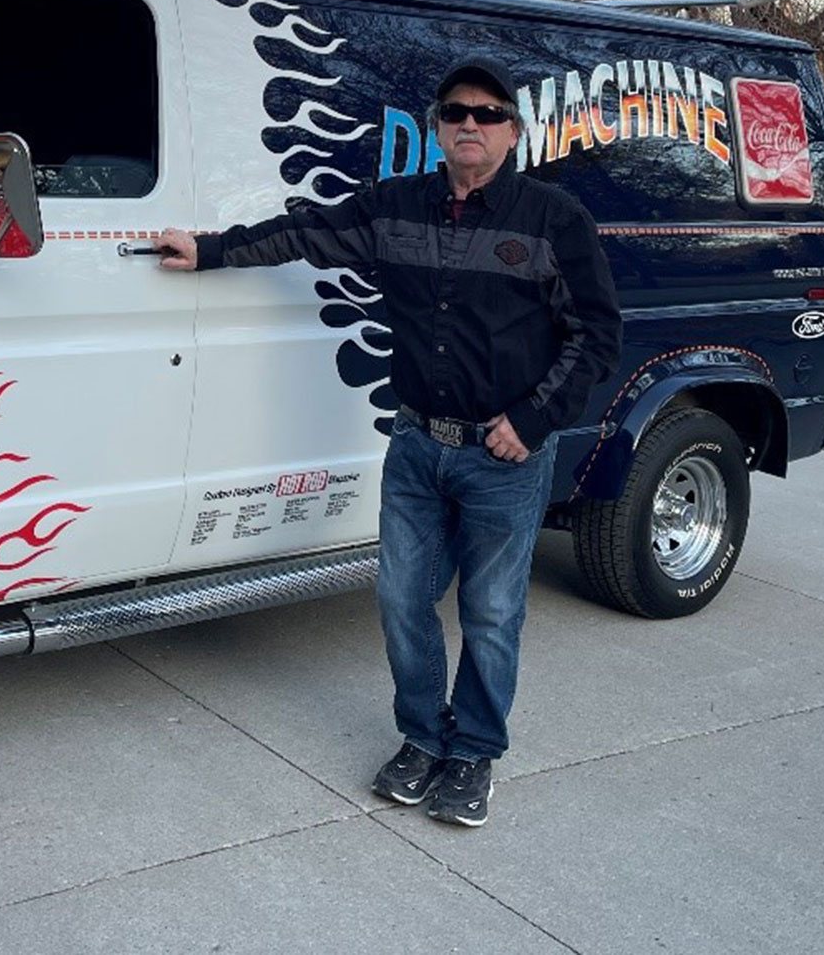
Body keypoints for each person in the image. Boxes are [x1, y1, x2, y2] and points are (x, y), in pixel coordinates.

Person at [153, 55, 622, 827]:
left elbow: (597, 336)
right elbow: (304, 233)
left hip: (503, 458)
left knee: (492, 612)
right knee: (403, 601)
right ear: (437, 128)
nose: (469, 124)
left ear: (512, 131)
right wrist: (211, 250)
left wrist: (533, 422)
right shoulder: (396, 206)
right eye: (455, 112)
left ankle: (472, 752)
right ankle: (421, 739)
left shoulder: (551, 219)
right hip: (414, 447)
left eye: (487, 113)